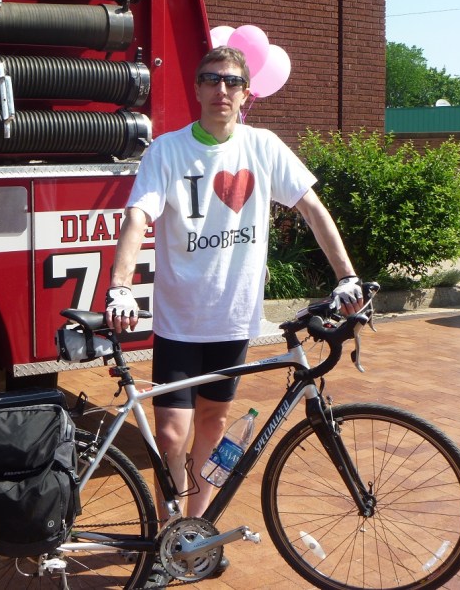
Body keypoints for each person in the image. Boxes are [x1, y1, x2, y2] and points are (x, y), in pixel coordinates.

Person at [105, 45, 362, 575]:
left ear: (246, 93)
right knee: (171, 434)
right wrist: (120, 287)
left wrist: (346, 275)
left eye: (231, 81)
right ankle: (170, 530)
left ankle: (193, 537)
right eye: (210, 79)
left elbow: (312, 208)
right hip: (180, 320)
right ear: (197, 88)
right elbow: (137, 218)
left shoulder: (263, 146)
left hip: (232, 319)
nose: (221, 89)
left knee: (213, 424)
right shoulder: (168, 151)